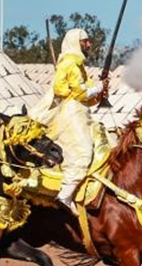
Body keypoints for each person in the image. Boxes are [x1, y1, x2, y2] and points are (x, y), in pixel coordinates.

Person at [35, 28, 107, 210]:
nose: (89, 44)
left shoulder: (78, 65)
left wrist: (99, 92)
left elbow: (86, 96)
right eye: (85, 41)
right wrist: (97, 89)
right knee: (82, 152)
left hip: (81, 113)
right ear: (77, 43)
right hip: (71, 114)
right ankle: (65, 194)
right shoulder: (69, 63)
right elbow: (77, 92)